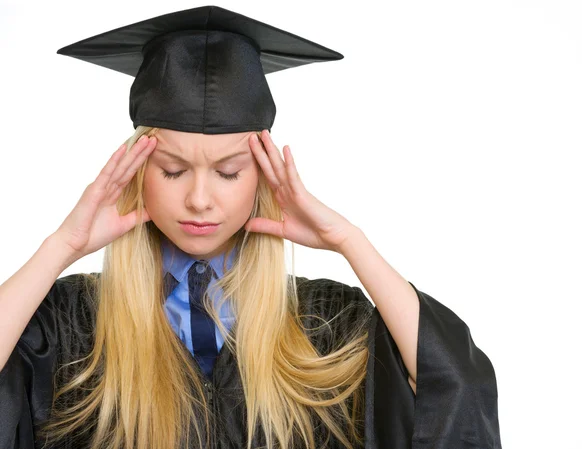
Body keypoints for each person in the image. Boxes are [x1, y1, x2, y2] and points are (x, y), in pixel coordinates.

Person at [0, 5, 502, 449]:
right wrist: (60, 248)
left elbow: (455, 388)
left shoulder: (323, 324)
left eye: (228, 172)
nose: (199, 199)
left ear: (261, 174)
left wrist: (352, 242)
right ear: (137, 172)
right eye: (172, 170)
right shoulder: (72, 326)